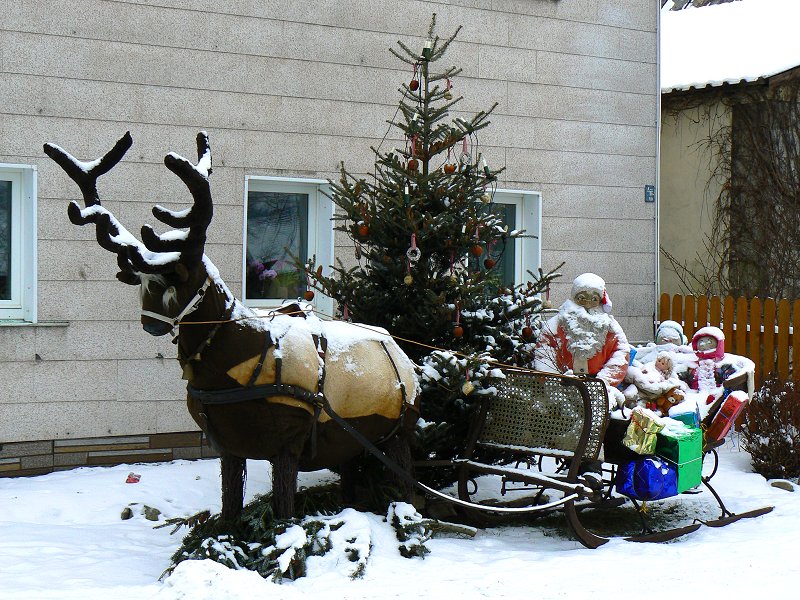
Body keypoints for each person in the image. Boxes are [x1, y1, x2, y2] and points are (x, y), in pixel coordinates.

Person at [534, 273, 630, 409]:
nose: (588, 304)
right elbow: (543, 351)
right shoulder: (555, 324)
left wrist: (603, 381)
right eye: (582, 298)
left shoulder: (611, 327)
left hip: (597, 387)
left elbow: (621, 354)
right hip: (562, 384)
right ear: (574, 298)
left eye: (594, 299)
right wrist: (553, 380)